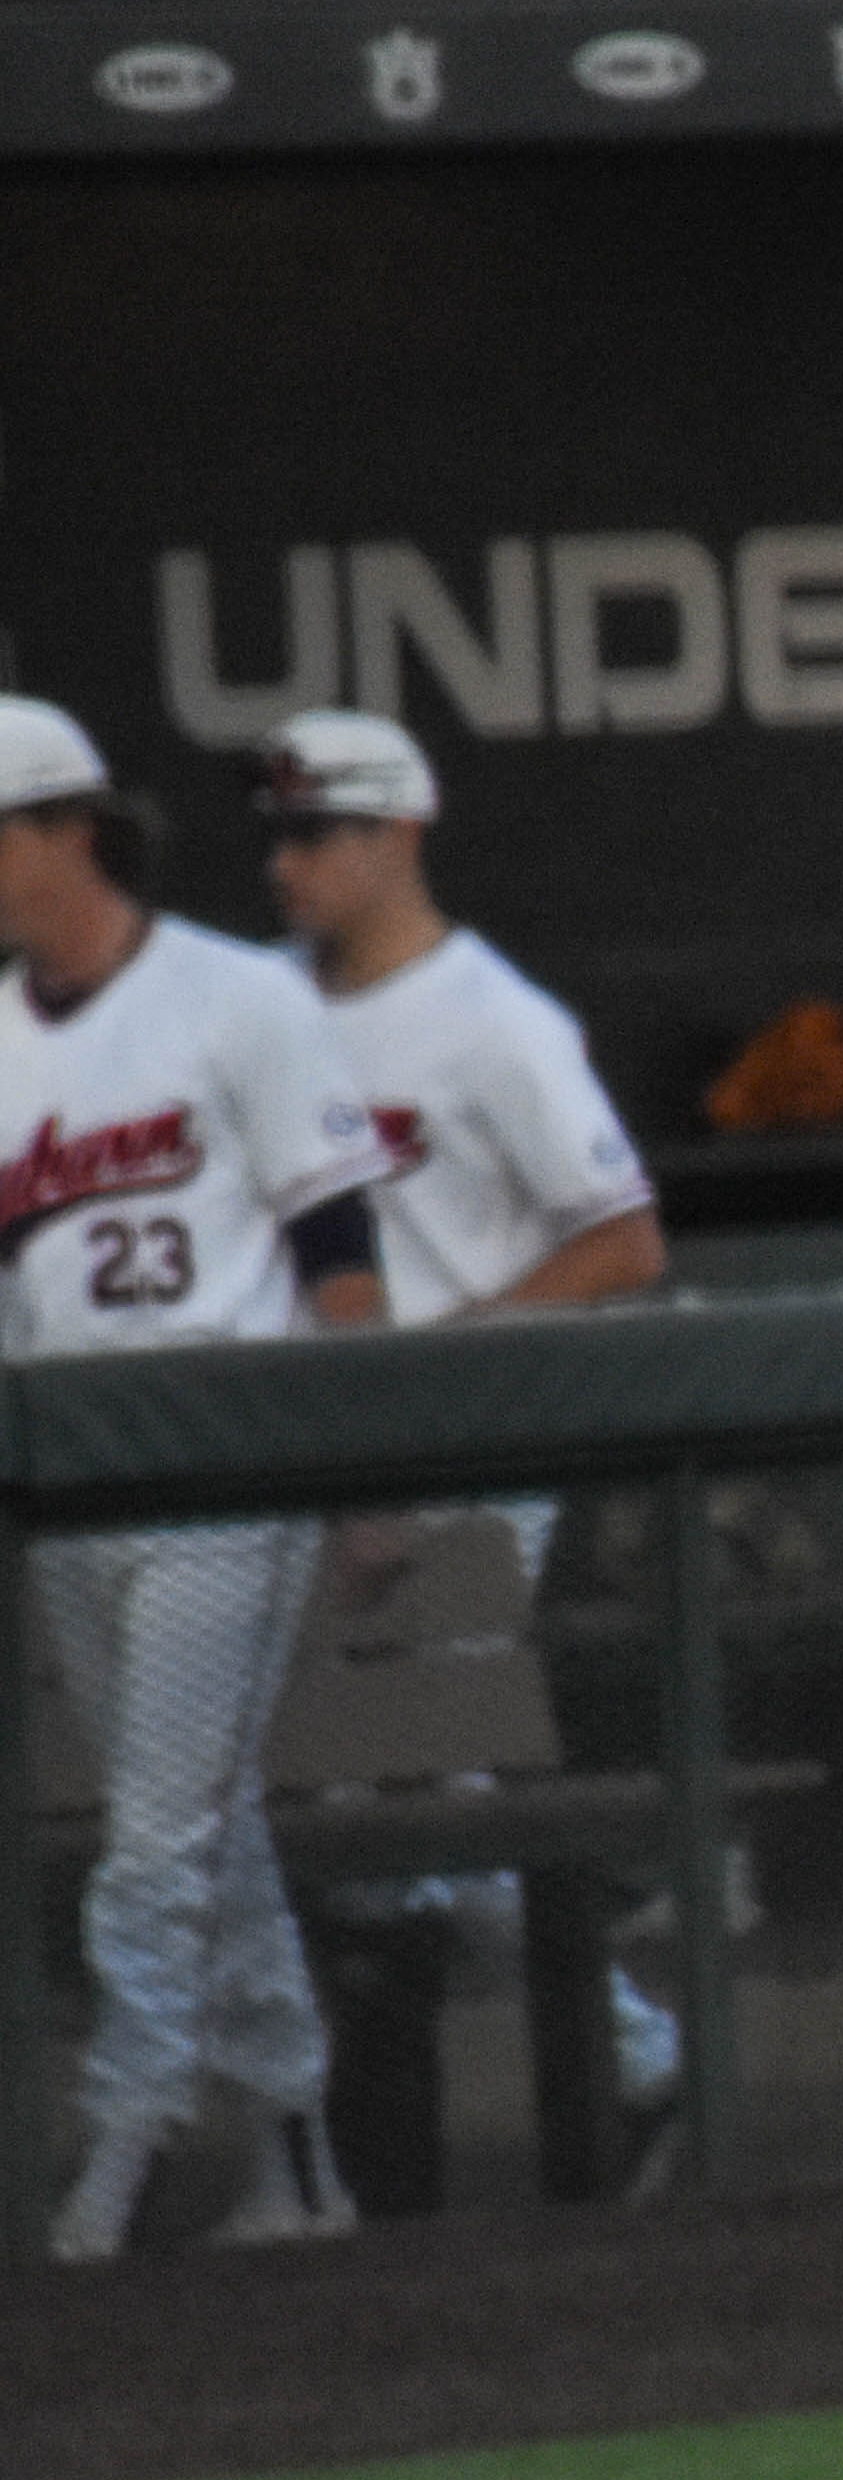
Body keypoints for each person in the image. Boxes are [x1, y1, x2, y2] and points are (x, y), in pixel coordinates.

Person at [253, 706, 687, 2211]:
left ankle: (625, 2057)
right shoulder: (269, 1014)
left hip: (472, 1448)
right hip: (329, 1453)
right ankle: (629, 2055)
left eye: (319, 833)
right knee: (374, 1820)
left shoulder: (492, 1018)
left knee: (407, 1811)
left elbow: (625, 1237)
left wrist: (455, 1354)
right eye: (280, 834)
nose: (289, 862)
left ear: (399, 834)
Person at [0, 695, 400, 2265]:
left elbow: (341, 1259)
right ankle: (299, 2155)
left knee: (156, 1840)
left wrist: (371, 1470)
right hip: (73, 1486)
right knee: (198, 1824)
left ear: (65, 831)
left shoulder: (238, 1000)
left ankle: (120, 2144)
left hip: (225, 1475)